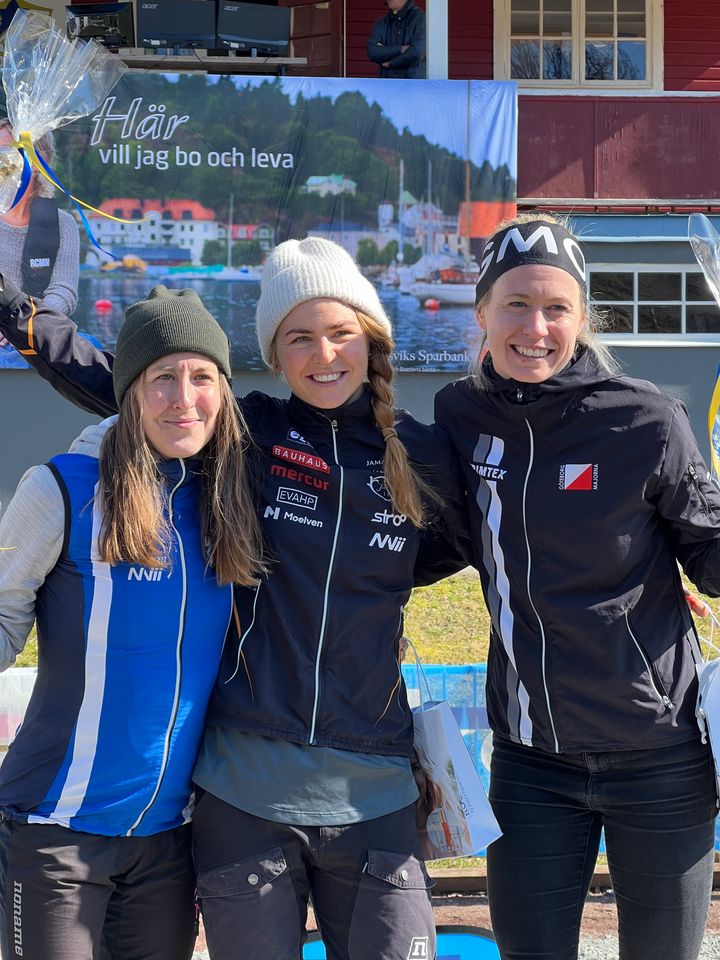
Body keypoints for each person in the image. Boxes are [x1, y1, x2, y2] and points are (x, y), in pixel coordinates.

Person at [0, 238, 467, 960]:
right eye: (298, 337)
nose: (324, 354)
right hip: (237, 786)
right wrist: (14, 308)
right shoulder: (250, 436)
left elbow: (465, 544)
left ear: (372, 338)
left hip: (370, 779)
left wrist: (373, 587)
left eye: (341, 332)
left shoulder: (422, 451)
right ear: (274, 353)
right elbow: (128, 382)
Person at [434, 213, 720, 960]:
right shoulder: (459, 414)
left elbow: (710, 555)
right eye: (516, 305)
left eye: (556, 307)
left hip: (659, 755)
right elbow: (441, 541)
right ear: (482, 314)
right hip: (532, 763)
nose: (536, 327)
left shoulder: (646, 419)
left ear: (582, 317)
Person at [0, 286, 263, 960]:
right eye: (162, 377)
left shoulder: (230, 498)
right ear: (129, 392)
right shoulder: (61, 489)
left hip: (168, 844)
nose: (184, 398)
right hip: (55, 830)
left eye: (202, 377)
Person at [0, 119, 80, 368]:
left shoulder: (63, 224)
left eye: (5, 152)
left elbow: (64, 292)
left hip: (40, 340)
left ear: (36, 162)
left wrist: (24, 323)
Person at [367, 0, 426, 79]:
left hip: (413, 83)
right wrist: (401, 49)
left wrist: (390, 63)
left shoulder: (421, 18)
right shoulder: (381, 22)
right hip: (386, 83)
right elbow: (372, 52)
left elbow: (417, 52)